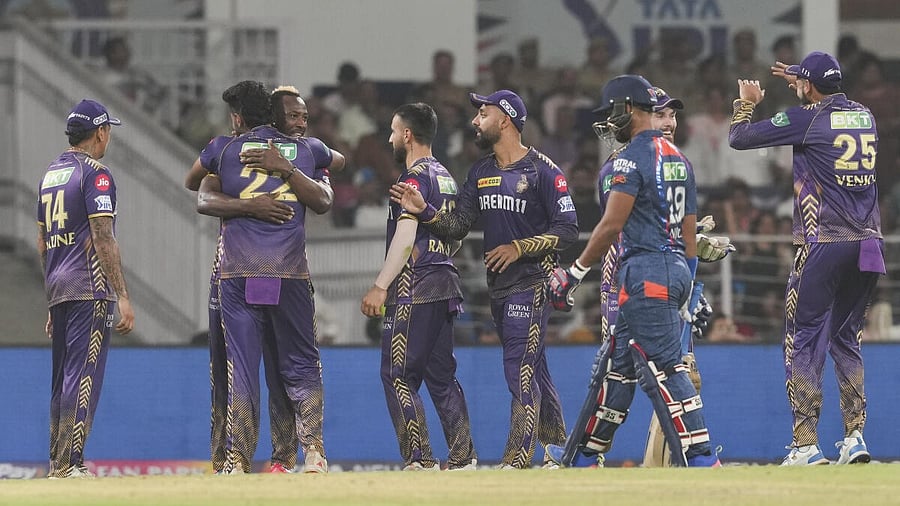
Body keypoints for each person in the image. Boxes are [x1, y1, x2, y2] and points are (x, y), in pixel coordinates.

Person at [390, 89, 578, 469]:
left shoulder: (544, 171)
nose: (475, 121)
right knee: (534, 366)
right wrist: (424, 209)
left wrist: (519, 247)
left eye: (483, 113)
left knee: (518, 368)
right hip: (498, 288)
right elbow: (458, 225)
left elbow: (569, 229)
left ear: (505, 119)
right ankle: (560, 449)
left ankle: (517, 459)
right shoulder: (481, 172)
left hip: (533, 281)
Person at [546, 75, 720, 467]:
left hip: (644, 270)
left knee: (666, 366)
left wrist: (573, 272)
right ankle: (584, 454)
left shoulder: (625, 161)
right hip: (673, 267)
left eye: (611, 113)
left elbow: (610, 226)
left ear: (628, 109)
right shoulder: (680, 160)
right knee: (616, 367)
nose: (609, 122)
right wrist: (689, 288)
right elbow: (690, 237)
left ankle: (703, 459)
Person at [729, 51, 882, 466]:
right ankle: (855, 438)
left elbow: (739, 138)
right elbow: (825, 98)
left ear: (810, 87)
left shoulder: (806, 117)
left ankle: (805, 443)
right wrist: (804, 76)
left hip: (823, 242)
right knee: (846, 339)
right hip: (869, 243)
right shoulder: (864, 114)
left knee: (803, 338)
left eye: (801, 85)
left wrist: (746, 103)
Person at [185, 84, 334, 474]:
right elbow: (336, 165)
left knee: (241, 367)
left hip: (237, 273)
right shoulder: (308, 150)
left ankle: (236, 461)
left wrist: (241, 202)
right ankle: (314, 453)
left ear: (238, 117)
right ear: (275, 115)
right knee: (302, 363)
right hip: (289, 272)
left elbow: (195, 186)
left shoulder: (222, 149)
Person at [360, 102, 477, 471]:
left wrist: (381, 286)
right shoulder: (445, 177)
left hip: (415, 286)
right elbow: (455, 238)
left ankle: (420, 459)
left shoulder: (410, 182)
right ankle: (463, 458)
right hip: (445, 283)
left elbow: (406, 237)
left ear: (407, 135)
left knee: (397, 375)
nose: (391, 138)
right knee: (442, 378)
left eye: (394, 131)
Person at [38, 99, 134, 478]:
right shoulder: (96, 175)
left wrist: (50, 299)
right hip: (89, 288)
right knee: (83, 376)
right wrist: (122, 294)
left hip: (59, 285)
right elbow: (103, 236)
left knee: (62, 378)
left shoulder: (50, 176)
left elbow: (43, 241)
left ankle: (57, 464)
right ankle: (71, 464)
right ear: (100, 132)